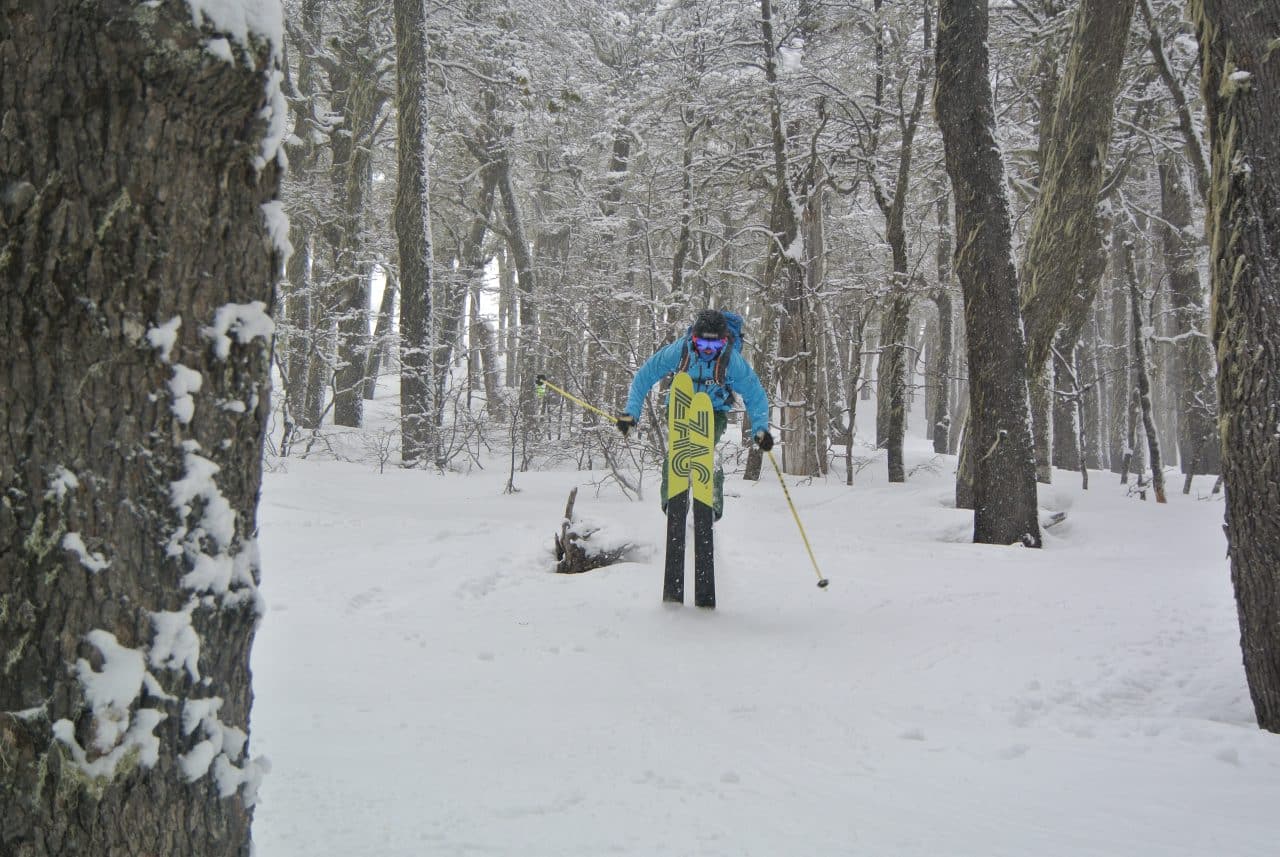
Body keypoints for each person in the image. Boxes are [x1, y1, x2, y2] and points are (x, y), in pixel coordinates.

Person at [616, 309, 773, 520]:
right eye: (703, 344)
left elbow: (755, 394)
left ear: (723, 342)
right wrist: (631, 413)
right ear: (694, 338)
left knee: (704, 452)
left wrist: (761, 429)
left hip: (714, 411)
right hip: (680, 407)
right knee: (679, 452)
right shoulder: (680, 350)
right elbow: (645, 375)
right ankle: (673, 502)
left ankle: (711, 506)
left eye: (715, 345)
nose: (708, 350)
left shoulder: (731, 360)